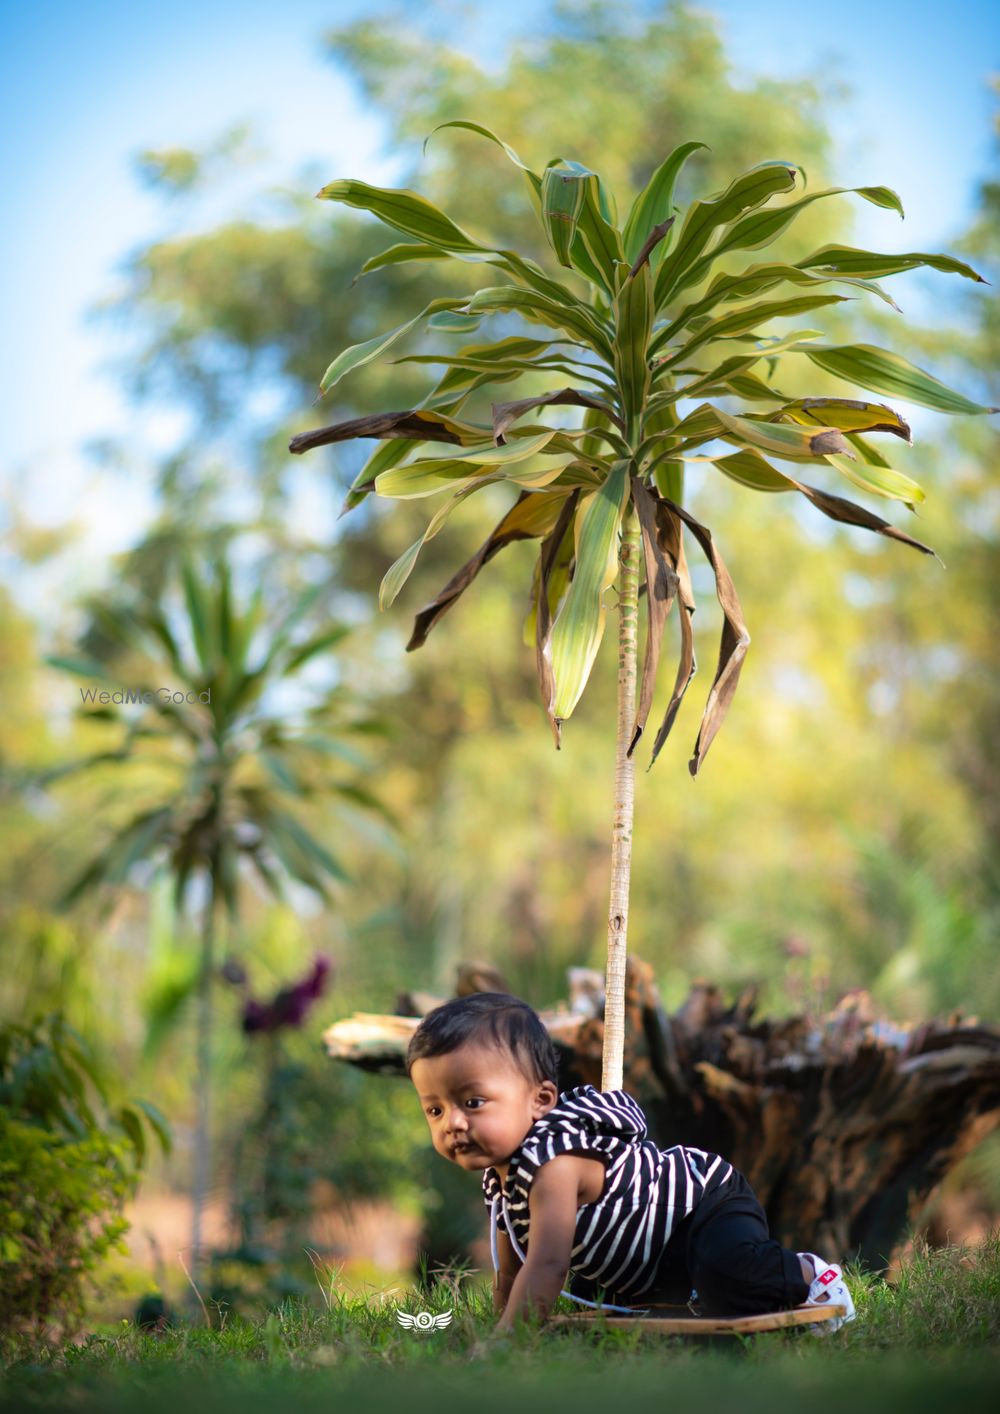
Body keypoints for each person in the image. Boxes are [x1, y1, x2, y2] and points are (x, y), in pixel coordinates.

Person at [406, 991, 856, 1334]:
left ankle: (806, 1272)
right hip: (649, 1256)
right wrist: (500, 1324)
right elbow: (513, 1268)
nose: (454, 1123)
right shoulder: (498, 1179)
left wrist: (508, 1343)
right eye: (435, 1110)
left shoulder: (555, 1164)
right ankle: (693, 1293)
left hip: (700, 1206)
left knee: (727, 1276)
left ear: (540, 1100)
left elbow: (546, 1264)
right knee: (597, 1303)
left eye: (473, 1101)